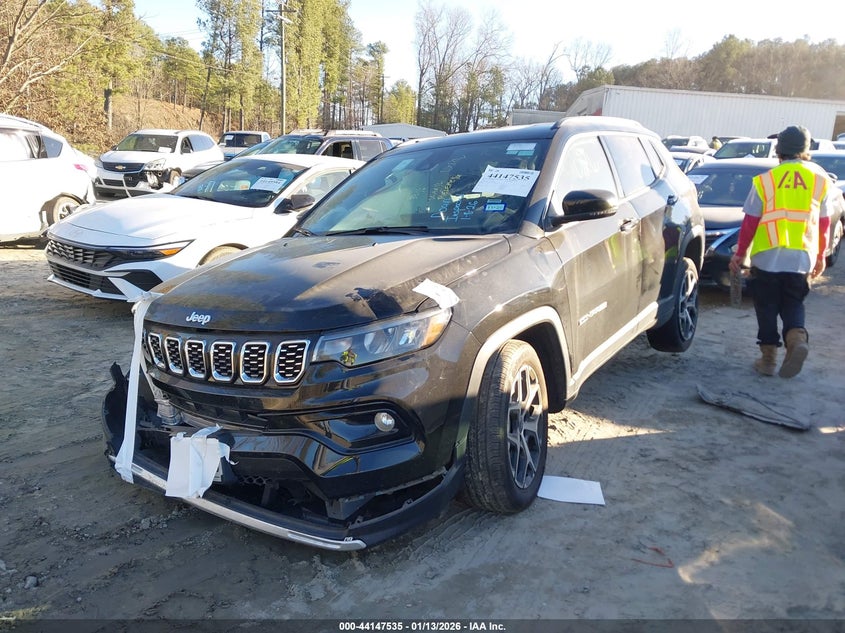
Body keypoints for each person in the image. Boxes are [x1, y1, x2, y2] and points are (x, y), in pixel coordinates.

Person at [728, 125, 833, 378]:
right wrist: (821, 256)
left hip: (767, 256)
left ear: (779, 150)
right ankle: (796, 339)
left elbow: (751, 221)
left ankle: (768, 361)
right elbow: (824, 222)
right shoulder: (820, 179)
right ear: (806, 150)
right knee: (793, 302)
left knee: (766, 306)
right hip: (801, 256)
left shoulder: (768, 179)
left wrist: (740, 254)